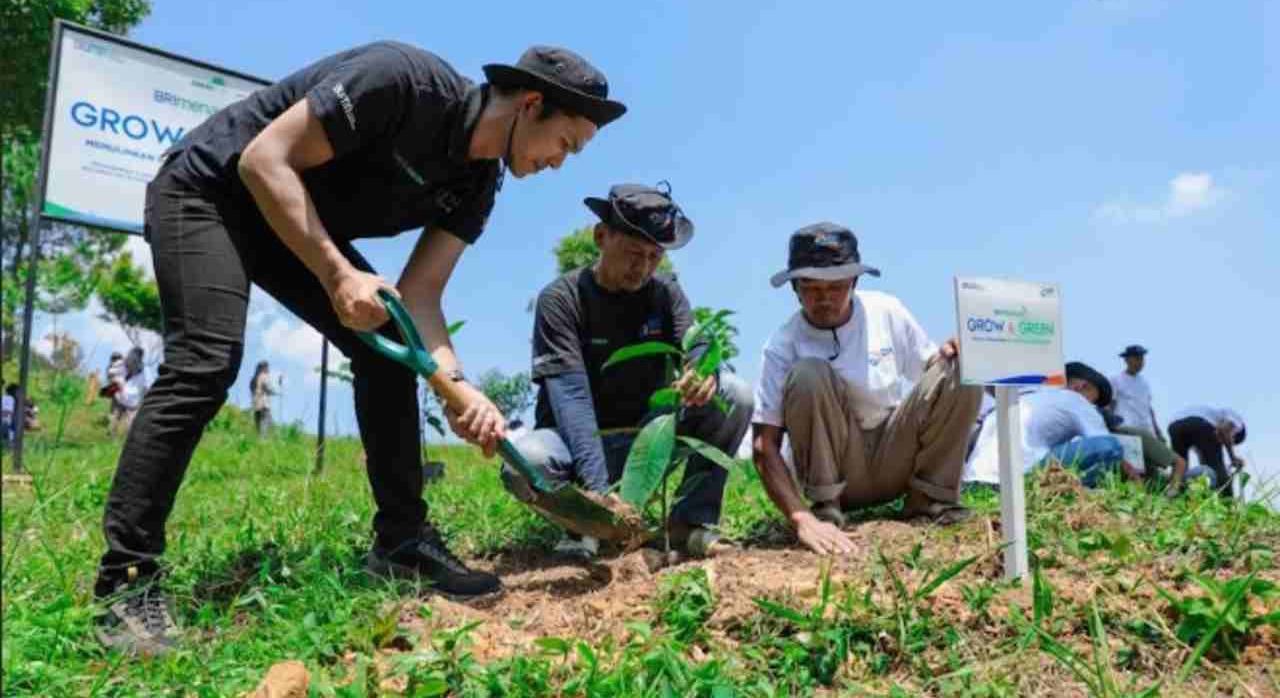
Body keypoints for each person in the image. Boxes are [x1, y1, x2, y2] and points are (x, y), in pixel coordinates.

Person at [92, 41, 627, 655]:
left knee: (386, 346)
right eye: (568, 144)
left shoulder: (477, 185)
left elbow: (420, 298)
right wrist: (337, 273)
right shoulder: (401, 83)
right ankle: (126, 582)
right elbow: (264, 161)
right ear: (533, 105)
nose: (562, 162)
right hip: (209, 190)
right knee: (207, 360)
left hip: (284, 225)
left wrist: (459, 389)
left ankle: (402, 546)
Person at [503, 183, 753, 559]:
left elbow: (697, 342)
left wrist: (703, 371)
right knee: (526, 462)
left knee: (733, 394)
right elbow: (570, 398)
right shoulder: (560, 300)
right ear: (601, 237)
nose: (644, 267)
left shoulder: (665, 292)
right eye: (634, 253)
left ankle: (689, 524)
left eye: (655, 256)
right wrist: (599, 496)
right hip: (575, 446)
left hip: (647, 442)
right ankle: (583, 527)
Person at [751, 223, 982, 556]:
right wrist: (801, 518)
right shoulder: (782, 345)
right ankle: (826, 509)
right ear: (795, 289)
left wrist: (955, 353)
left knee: (962, 366)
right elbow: (764, 445)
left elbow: (934, 374)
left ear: (854, 283)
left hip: (894, 456)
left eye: (836, 287)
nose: (825, 299)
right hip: (836, 471)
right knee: (808, 374)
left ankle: (931, 501)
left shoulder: (887, 311)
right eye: (812, 288)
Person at [963, 361, 1149, 489]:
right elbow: (1105, 444)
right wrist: (1137, 483)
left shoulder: (1022, 397)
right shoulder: (1076, 399)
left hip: (974, 480)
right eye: (1095, 400)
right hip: (1017, 480)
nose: (1094, 407)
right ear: (1081, 387)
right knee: (1110, 446)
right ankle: (1077, 494)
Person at [1167, 406, 1246, 497]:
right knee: (1218, 472)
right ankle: (1227, 505)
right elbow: (1224, 430)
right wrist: (1233, 458)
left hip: (1175, 426)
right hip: (1200, 423)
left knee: (1180, 470)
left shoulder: (1215, 415)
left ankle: (1174, 498)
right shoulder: (1238, 422)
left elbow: (1204, 454)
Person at [1109, 344, 1167, 442]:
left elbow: (1149, 408)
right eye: (1136, 358)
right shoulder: (1116, 380)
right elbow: (1111, 405)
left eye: (1142, 358)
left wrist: (1158, 431)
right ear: (1126, 360)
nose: (1140, 361)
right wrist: (1109, 426)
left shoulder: (1144, 383)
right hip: (1128, 431)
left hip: (1148, 431)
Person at [110, 348, 148, 437]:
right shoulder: (123, 364)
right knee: (117, 420)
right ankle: (113, 439)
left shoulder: (142, 371)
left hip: (130, 401)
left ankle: (119, 440)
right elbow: (112, 373)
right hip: (124, 399)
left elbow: (145, 388)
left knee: (126, 423)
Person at [250, 361, 279, 438]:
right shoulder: (263, 376)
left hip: (255, 405)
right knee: (267, 426)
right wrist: (277, 393)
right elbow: (268, 388)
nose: (268, 369)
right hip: (264, 405)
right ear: (264, 368)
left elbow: (253, 390)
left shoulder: (253, 379)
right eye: (267, 367)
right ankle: (264, 442)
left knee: (259, 426)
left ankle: (261, 443)